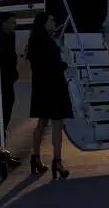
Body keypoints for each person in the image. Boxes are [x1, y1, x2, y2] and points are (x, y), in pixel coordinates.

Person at [25, 12, 73, 179]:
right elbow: (53, 65)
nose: (54, 22)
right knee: (57, 126)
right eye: (52, 20)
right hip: (54, 88)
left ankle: (36, 158)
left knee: (41, 123)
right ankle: (57, 162)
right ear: (44, 23)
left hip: (41, 88)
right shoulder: (47, 42)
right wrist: (64, 65)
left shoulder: (35, 42)